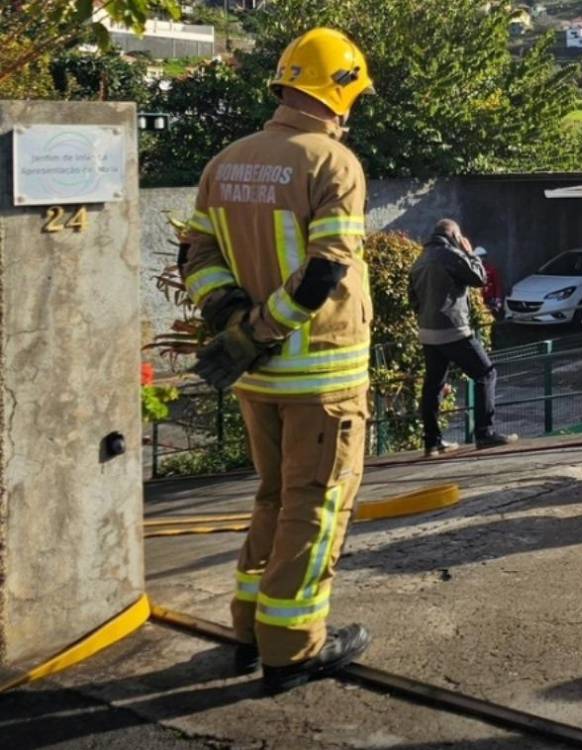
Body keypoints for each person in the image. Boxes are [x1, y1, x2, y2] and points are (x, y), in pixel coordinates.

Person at [181, 27, 377, 693]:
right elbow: (325, 273)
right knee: (315, 506)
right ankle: (292, 647)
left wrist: (228, 316)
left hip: (255, 378)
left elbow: (196, 258)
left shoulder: (226, 161)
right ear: (341, 89)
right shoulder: (332, 163)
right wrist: (261, 328)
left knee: (270, 497)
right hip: (320, 374)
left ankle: (247, 626)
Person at [408, 220, 516, 457]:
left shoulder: (421, 258)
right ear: (454, 235)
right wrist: (469, 253)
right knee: (486, 373)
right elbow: (479, 278)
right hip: (453, 329)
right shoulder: (450, 254)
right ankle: (485, 433)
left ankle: (432, 442)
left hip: (428, 332)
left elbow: (412, 299)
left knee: (433, 385)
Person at [474, 246, 504, 318]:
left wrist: (498, 299)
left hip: (489, 300)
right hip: (477, 299)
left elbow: (497, 285)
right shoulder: (473, 270)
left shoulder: (491, 269)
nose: (483, 259)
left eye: (484, 257)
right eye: (481, 257)